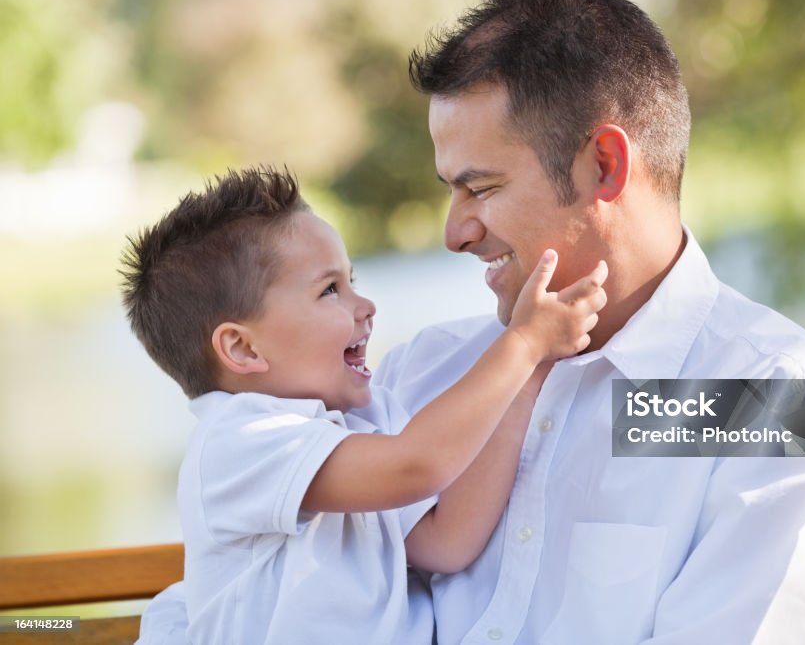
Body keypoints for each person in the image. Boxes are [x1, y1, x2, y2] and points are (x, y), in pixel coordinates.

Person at [138, 0, 805, 644]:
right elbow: (249, 590)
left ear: (605, 165)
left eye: (482, 188)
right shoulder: (424, 374)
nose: (454, 231)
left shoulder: (789, 411)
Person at [122, 166, 607, 644]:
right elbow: (415, 465)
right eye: (330, 290)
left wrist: (530, 374)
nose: (366, 305)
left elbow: (447, 542)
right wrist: (520, 345)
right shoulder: (237, 442)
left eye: (351, 280)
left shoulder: (364, 420)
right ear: (244, 349)